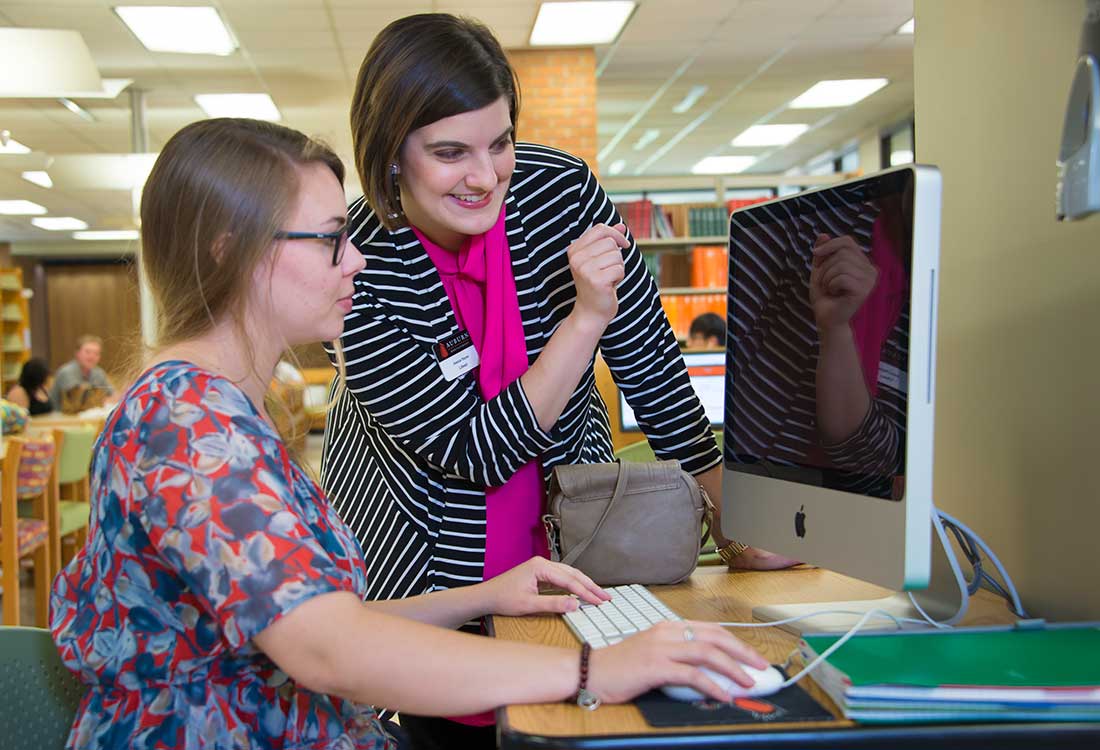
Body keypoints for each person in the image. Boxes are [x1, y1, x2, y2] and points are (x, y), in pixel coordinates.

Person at [49, 117, 771, 750]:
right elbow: (330, 650)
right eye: (331, 240)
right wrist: (596, 670)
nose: (356, 259)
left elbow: (321, 619)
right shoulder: (188, 422)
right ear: (228, 250)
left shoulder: (220, 408)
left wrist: (486, 594)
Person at [319, 14, 794, 746]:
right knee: (461, 728)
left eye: (500, 142)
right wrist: (582, 322)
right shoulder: (361, 274)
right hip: (428, 564)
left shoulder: (558, 193)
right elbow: (475, 452)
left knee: (586, 712)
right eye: (450, 153)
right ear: (389, 156)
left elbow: (648, 356)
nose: (486, 176)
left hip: (569, 538)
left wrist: (734, 521)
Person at [47, 334, 114, 408]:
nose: (92, 356)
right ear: (77, 353)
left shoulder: (98, 372)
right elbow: (78, 400)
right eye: (87, 352)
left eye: (96, 353)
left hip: (87, 416)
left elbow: (111, 395)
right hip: (60, 417)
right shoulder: (67, 372)